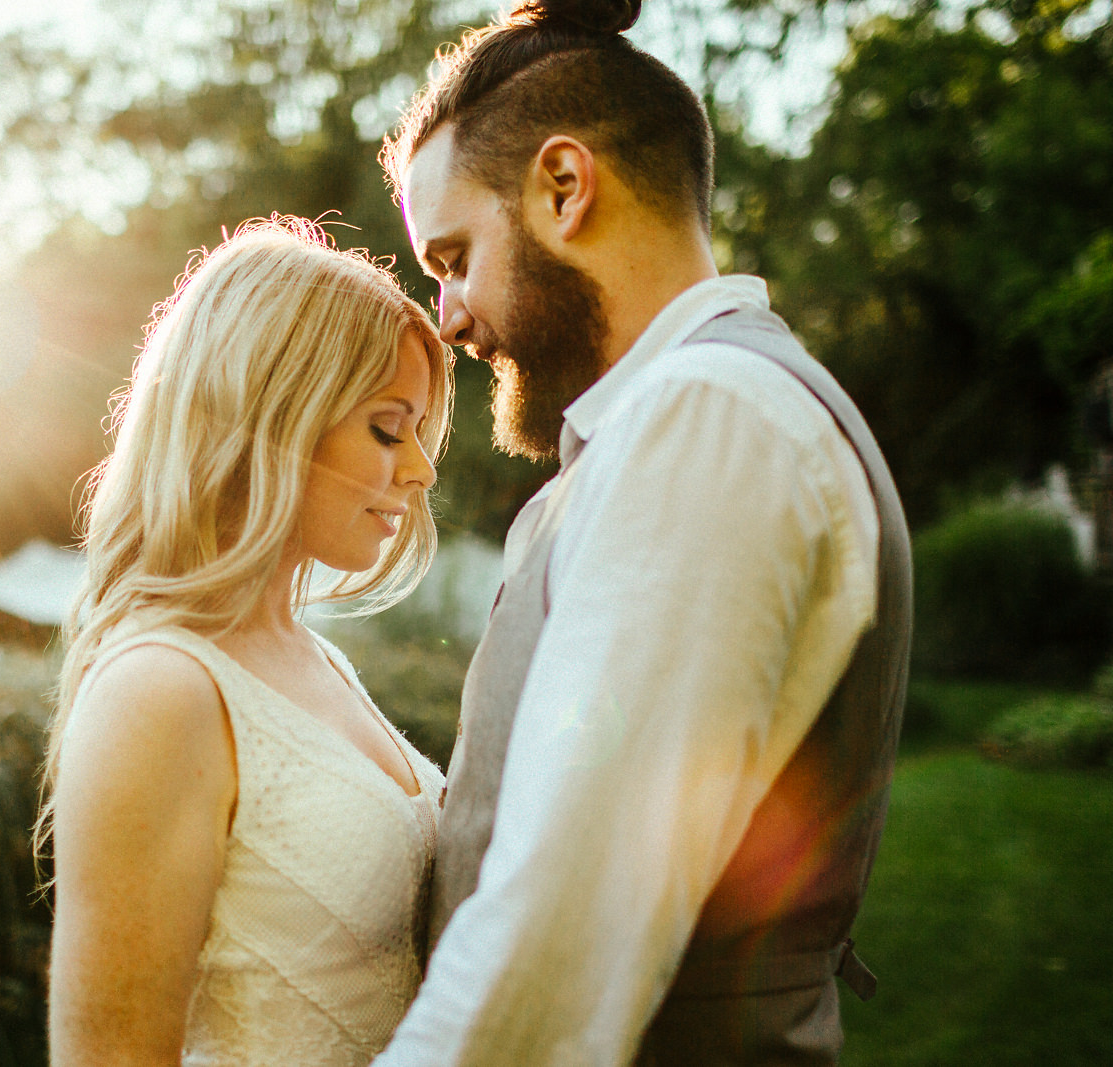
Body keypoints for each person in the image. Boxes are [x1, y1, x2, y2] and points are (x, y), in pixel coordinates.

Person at [370, 1, 912, 1064]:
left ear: (564, 189)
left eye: (453, 257)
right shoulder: (676, 421)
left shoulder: (707, 419)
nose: (447, 316)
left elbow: (555, 929)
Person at [43, 217, 454, 1067]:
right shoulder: (159, 688)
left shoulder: (315, 656)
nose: (420, 468)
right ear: (272, 416)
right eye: (388, 427)